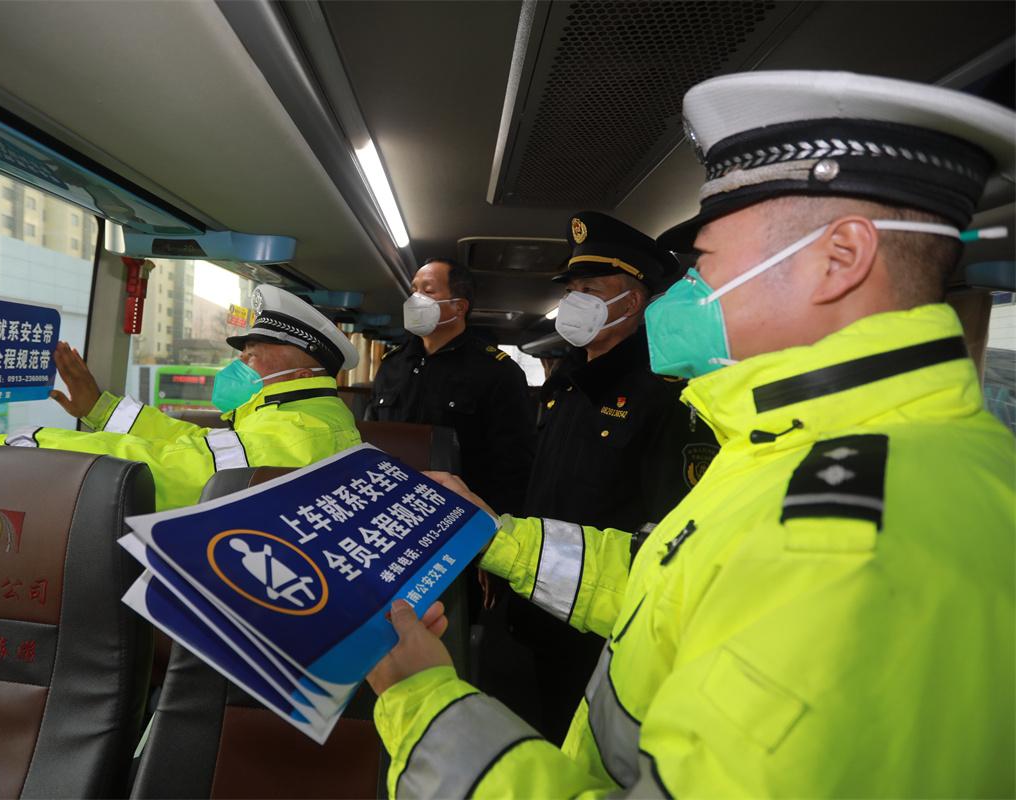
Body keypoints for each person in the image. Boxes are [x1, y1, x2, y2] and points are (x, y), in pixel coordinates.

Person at [366, 71, 1016, 798]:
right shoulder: (804, 445)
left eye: (704, 263)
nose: (688, 291)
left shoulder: (853, 544)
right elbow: (676, 579)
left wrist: (423, 701)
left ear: (839, 259)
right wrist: (497, 535)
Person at [507, 211, 718, 744]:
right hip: (541, 596)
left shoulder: (666, 393)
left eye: (591, 290)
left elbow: (669, 527)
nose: (574, 301)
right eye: (571, 290)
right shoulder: (566, 381)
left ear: (633, 301)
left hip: (601, 625)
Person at [0, 286, 362, 510]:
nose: (241, 363)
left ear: (304, 368)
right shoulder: (297, 414)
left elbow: (168, 470)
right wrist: (99, 409)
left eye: (255, 354)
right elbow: (188, 444)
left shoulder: (303, 431)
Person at [366, 257, 534, 515]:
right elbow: (372, 436)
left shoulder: (497, 371)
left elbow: (514, 462)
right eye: (414, 289)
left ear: (459, 307)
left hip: (461, 510)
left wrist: (494, 520)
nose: (415, 299)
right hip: (392, 504)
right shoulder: (392, 364)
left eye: (428, 291)